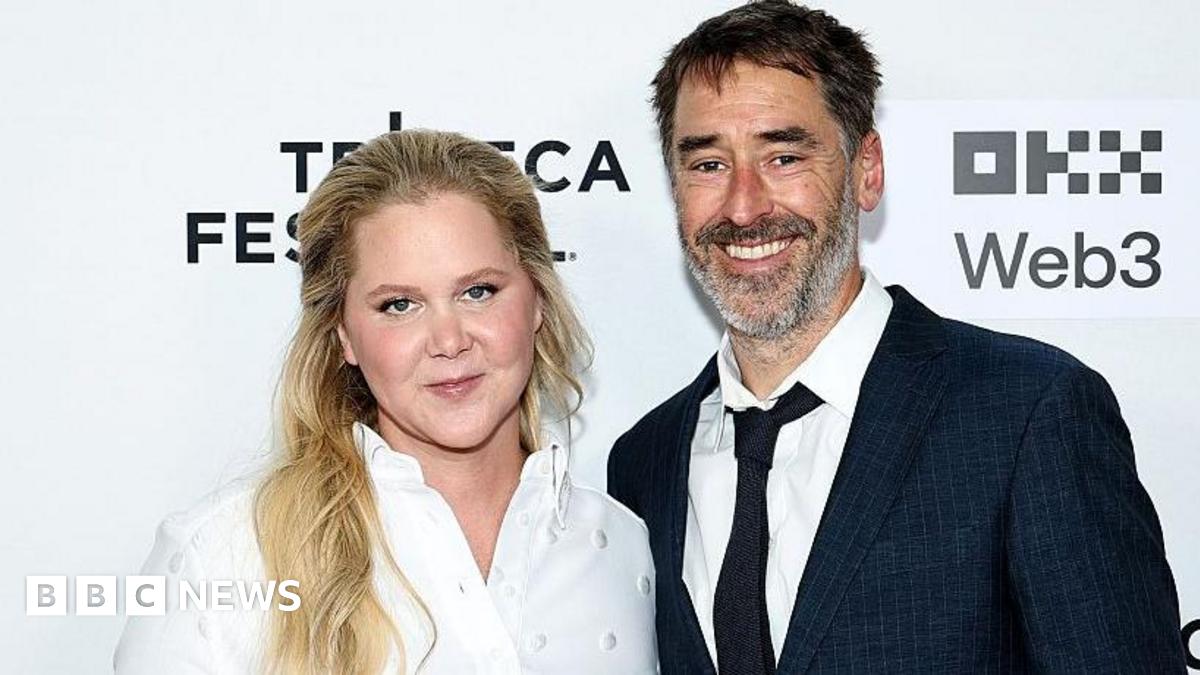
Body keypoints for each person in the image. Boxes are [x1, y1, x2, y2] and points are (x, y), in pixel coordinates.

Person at [606, 2, 1186, 673]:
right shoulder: (643, 464)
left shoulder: (1027, 413)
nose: (743, 205)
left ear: (866, 170)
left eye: (784, 155)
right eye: (708, 164)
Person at [116, 130, 658, 674]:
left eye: (479, 292)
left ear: (537, 299)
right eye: (399, 305)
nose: (449, 341)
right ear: (344, 335)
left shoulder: (624, 547)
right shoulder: (222, 556)